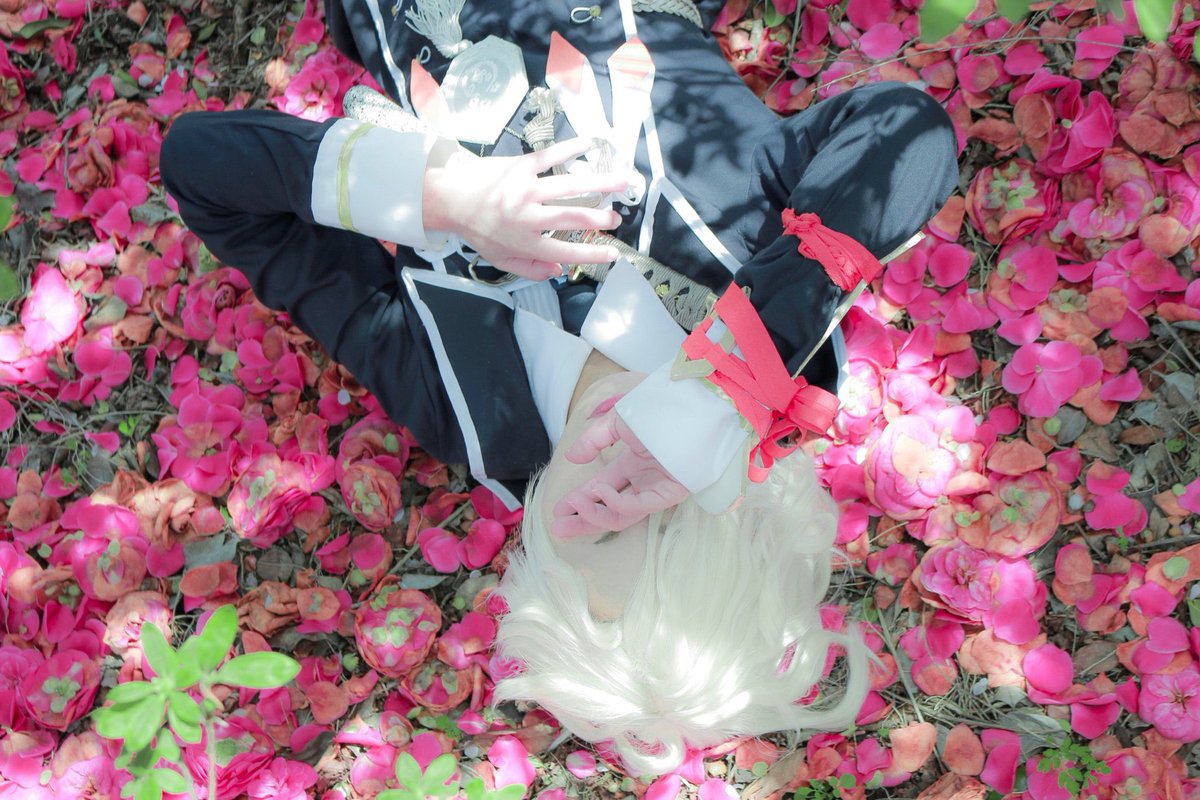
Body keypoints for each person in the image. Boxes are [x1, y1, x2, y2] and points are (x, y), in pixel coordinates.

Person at [159, 0, 957, 775]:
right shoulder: (761, 290)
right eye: (669, 514)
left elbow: (198, 167)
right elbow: (907, 130)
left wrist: (439, 195)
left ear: (537, 549)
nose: (619, 481)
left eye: (594, 534)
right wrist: (730, 379)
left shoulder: (458, 404)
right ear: (728, 498)